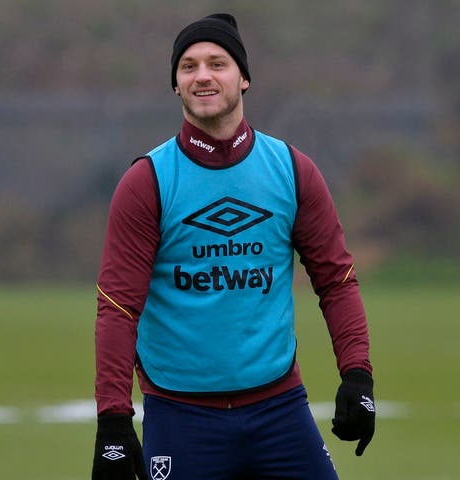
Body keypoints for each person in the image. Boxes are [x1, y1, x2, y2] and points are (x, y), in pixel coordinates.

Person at [91, 13, 375, 480]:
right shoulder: (147, 182)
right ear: (176, 87)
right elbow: (118, 308)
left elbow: (337, 280)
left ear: (243, 79)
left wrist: (357, 375)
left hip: (280, 409)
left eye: (217, 63)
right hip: (181, 416)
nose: (202, 75)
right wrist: (114, 423)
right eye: (188, 66)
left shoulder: (292, 170)